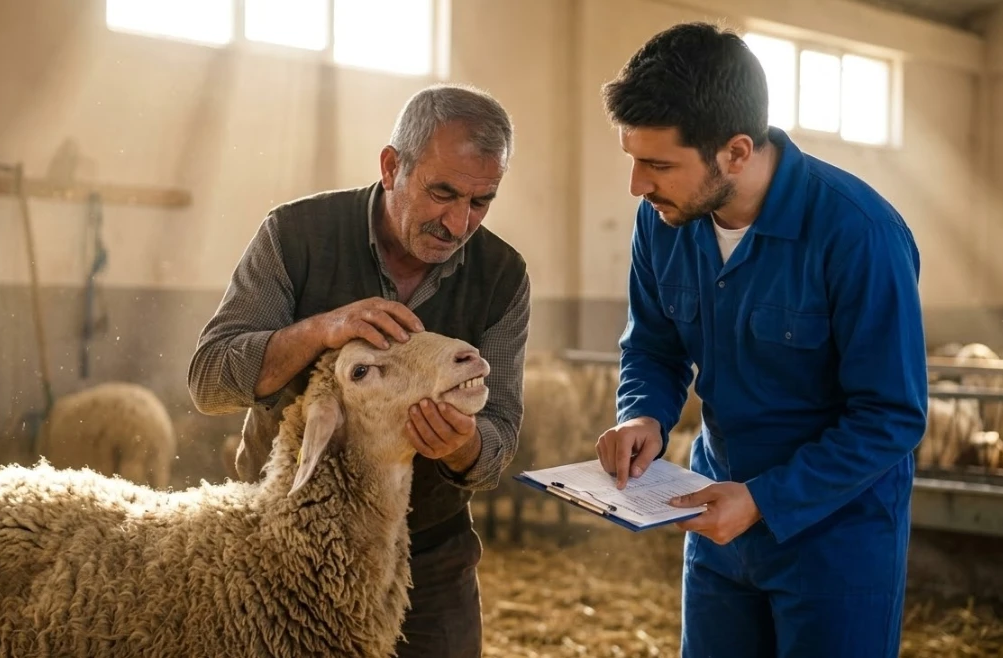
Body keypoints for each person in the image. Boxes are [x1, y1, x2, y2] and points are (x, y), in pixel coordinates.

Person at [594, 22, 929, 658]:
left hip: (835, 537)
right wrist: (643, 414)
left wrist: (764, 500)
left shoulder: (859, 233)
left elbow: (891, 416)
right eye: (633, 159)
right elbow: (653, 346)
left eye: (658, 165)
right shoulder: (662, 221)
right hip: (716, 520)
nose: (638, 185)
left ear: (736, 152)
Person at [187, 82, 531, 657]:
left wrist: (462, 447)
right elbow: (209, 381)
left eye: (481, 201)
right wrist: (319, 330)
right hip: (278, 545)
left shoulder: (502, 276)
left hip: (426, 552)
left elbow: (498, 436)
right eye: (442, 192)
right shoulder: (295, 236)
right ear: (392, 166)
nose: (457, 223)